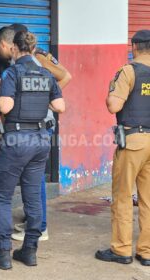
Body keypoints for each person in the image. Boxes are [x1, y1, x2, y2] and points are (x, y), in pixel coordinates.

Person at [0, 25, 71, 241]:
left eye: (0, 46)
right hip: (0, 119)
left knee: (30, 180)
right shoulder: (0, 49)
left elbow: (65, 76)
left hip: (25, 124)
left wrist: (36, 101)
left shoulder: (38, 59)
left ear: (12, 46)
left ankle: (31, 228)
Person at [0, 31, 65, 270]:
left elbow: (5, 106)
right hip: (40, 141)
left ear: (15, 49)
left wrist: (2, 93)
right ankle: (29, 251)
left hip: (17, 140)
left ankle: (3, 253)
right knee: (32, 196)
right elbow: (60, 106)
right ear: (34, 48)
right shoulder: (46, 73)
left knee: (2, 196)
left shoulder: (12, 72)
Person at [95, 30, 150, 266]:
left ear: (135, 46)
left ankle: (121, 249)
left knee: (122, 197)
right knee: (148, 200)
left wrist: (112, 90)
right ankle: (146, 251)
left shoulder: (129, 71)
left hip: (133, 142)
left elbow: (113, 105)